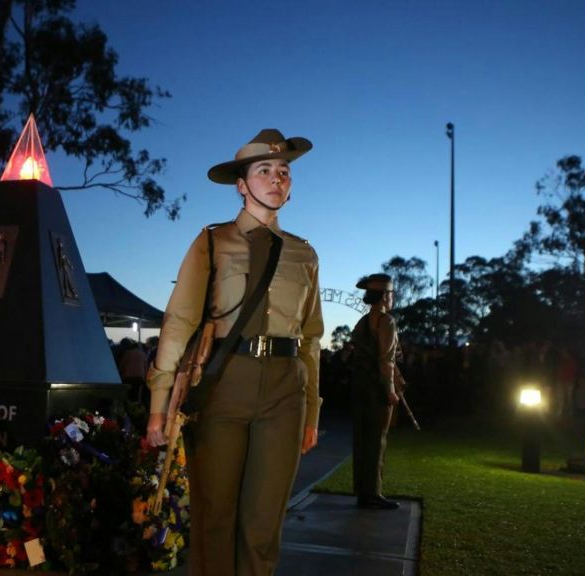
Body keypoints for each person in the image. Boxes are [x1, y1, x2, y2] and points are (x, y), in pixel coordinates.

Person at [146, 129, 324, 575]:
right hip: (223, 384)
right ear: (241, 185)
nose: (277, 179)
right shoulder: (212, 241)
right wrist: (158, 406)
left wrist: (313, 411)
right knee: (215, 515)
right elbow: (180, 321)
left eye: (284, 171)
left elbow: (312, 339)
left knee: (264, 525)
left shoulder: (304, 254)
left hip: (286, 390)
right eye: (264, 170)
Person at [350, 273, 403, 510]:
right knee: (376, 440)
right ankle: (373, 493)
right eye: (390, 294)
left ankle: (363, 491)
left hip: (360, 387)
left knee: (362, 439)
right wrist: (390, 389)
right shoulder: (386, 321)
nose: (391, 298)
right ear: (384, 296)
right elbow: (386, 359)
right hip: (377, 389)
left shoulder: (362, 322)